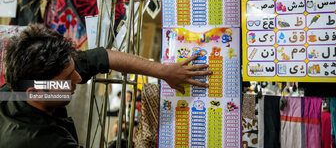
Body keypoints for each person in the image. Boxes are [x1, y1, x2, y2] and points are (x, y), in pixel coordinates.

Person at [0, 24, 211, 147]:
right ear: (36, 92)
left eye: (75, 69)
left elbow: (103, 57)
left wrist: (164, 72)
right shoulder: (33, 140)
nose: (79, 78)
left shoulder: (26, 81)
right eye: (68, 78)